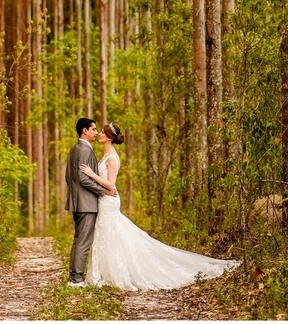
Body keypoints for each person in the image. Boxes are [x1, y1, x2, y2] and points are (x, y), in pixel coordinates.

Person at [79, 123, 240, 291]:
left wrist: (91, 174)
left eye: (102, 132)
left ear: (109, 138)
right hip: (104, 199)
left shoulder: (112, 158)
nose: (99, 134)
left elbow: (111, 184)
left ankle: (120, 273)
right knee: (107, 234)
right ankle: (106, 272)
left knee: (112, 232)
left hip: (109, 200)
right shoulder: (106, 155)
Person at [65, 117, 116, 287]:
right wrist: (103, 191)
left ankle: (73, 276)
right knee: (84, 242)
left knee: (78, 240)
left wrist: (75, 195)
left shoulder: (74, 149)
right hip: (87, 204)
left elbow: (68, 177)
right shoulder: (86, 150)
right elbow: (83, 178)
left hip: (77, 202)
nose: (96, 132)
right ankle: (77, 279)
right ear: (85, 131)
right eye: (93, 129)